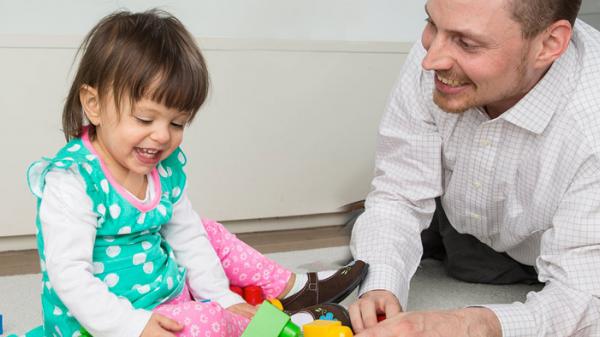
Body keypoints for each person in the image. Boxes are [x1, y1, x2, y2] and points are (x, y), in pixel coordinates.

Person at [25, 10, 368, 337]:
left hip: (168, 297)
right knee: (206, 323)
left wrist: (224, 297)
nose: (162, 136)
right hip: (107, 325)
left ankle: (290, 289)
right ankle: (279, 325)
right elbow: (69, 276)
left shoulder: (160, 169)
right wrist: (132, 325)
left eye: (177, 123)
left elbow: (188, 237)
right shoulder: (72, 181)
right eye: (145, 119)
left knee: (205, 233)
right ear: (94, 104)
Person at [348, 0, 600, 336]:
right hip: (472, 221)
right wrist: (380, 285)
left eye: (467, 44)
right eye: (431, 23)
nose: (430, 59)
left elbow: (586, 297)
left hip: (558, 237)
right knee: (451, 259)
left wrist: (472, 325)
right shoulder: (443, 55)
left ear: (549, 44)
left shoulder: (591, 127)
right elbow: (399, 192)